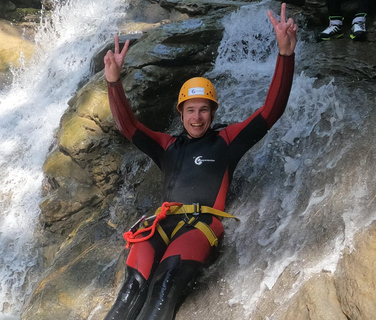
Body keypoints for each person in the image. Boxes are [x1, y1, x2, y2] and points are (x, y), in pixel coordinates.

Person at [103, 3, 297, 320]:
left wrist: (285, 55)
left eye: (204, 109)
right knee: (131, 289)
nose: (197, 117)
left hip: (202, 226)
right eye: (190, 110)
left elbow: (269, 112)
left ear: (213, 112)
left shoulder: (227, 141)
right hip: (161, 224)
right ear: (181, 113)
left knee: (164, 284)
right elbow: (129, 127)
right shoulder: (167, 145)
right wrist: (113, 82)